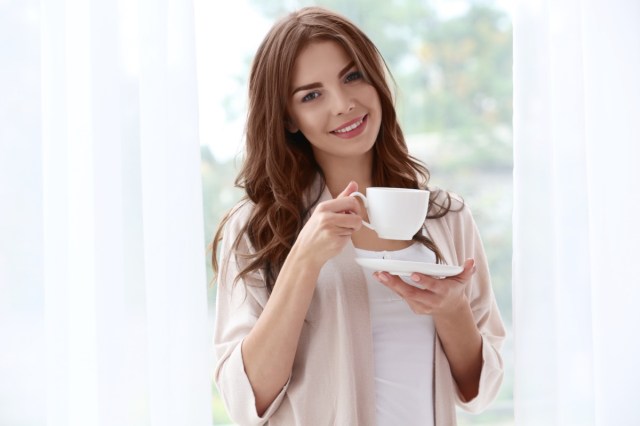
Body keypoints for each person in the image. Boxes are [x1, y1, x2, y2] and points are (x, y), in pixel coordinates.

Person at [211, 6, 505, 426]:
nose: (344, 104)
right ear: (288, 119)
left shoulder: (447, 217)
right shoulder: (257, 227)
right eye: (311, 95)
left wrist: (452, 309)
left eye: (352, 77)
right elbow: (246, 401)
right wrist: (305, 259)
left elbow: (480, 391)